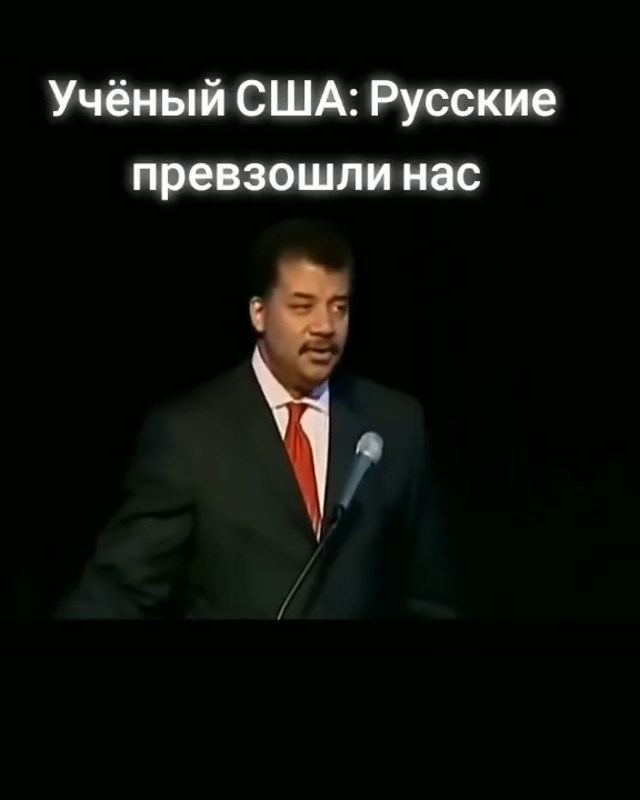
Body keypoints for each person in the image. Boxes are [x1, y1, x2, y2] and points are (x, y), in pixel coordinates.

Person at [56, 219, 457, 619]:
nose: (325, 327)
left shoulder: (393, 424)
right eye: (302, 306)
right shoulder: (189, 436)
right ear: (259, 313)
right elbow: (119, 593)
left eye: (339, 307)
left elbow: (429, 599)